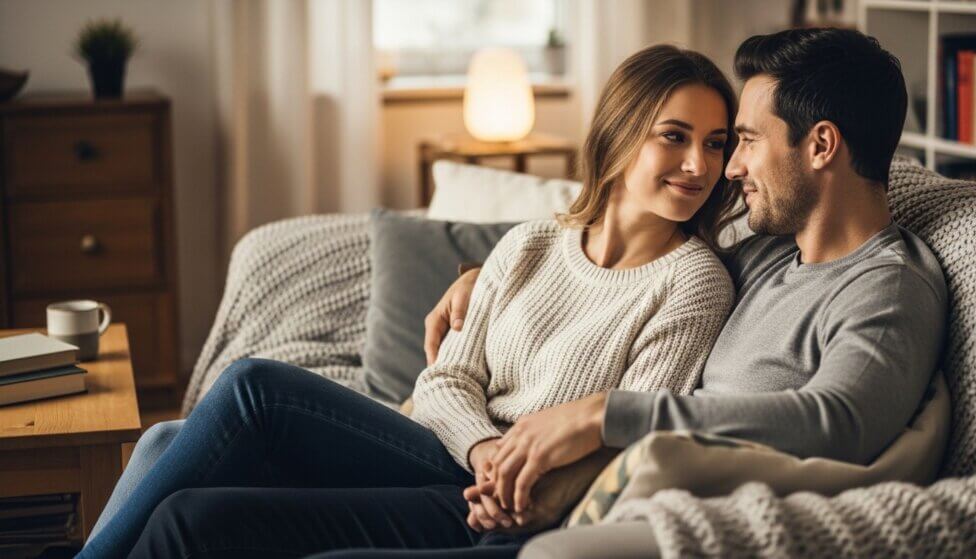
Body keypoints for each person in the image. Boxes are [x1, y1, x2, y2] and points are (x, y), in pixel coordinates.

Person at [78, 44, 741, 559]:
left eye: (716, 144)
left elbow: (634, 429)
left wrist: (508, 474)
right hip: (451, 451)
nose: (699, 165)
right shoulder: (532, 243)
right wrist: (482, 444)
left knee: (248, 401)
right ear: (622, 134)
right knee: (178, 466)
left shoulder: (693, 281)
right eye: (675, 136)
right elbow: (447, 377)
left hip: (499, 501)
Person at [428, 27, 948, 556]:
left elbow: (839, 422)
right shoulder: (770, 251)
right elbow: (628, 257)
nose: (730, 168)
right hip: (571, 488)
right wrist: (478, 277)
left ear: (820, 146)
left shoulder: (887, 287)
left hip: (648, 514)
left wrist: (605, 413)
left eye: (742, 140)